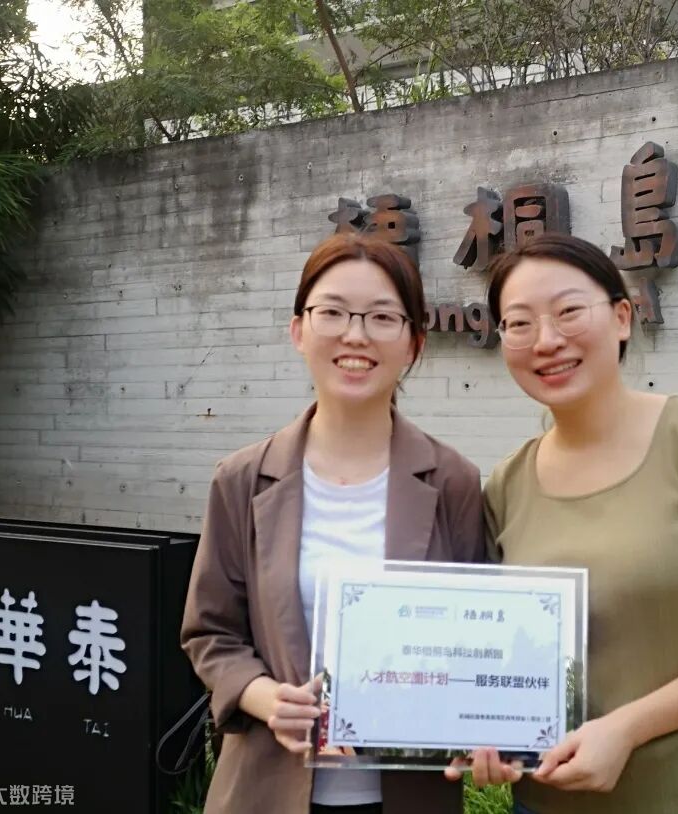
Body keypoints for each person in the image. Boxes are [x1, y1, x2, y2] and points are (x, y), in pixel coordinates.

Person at [470, 234, 678, 814]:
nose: (546, 341)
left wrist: (626, 729)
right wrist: (484, 730)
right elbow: (502, 652)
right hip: (552, 803)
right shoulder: (507, 483)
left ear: (622, 317)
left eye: (569, 311)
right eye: (518, 323)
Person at [181, 233, 484, 814]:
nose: (356, 335)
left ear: (414, 344)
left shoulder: (453, 482)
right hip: (266, 790)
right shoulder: (242, 479)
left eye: (382, 317)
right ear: (299, 330)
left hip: (407, 794)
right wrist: (264, 696)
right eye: (334, 312)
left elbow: (476, 638)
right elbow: (210, 632)